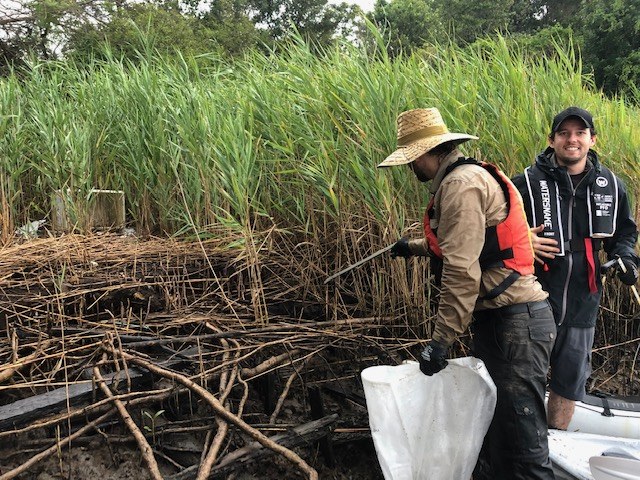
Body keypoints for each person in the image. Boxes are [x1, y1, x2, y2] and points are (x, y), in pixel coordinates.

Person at [378, 107, 557, 479]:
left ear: (429, 154)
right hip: (505, 323)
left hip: (516, 325)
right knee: (497, 433)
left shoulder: (461, 186)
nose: (412, 169)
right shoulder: (463, 179)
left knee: (523, 444)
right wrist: (410, 246)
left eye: (412, 160)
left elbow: (461, 271)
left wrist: (440, 342)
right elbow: (470, 243)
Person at [512, 106, 639, 430]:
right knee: (524, 380)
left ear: (592, 139)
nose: (572, 140)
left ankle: (555, 446)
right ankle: (523, 450)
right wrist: (522, 238)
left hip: (584, 300)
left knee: (569, 382)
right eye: (564, 133)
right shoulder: (524, 183)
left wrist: (626, 257)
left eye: (580, 133)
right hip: (533, 299)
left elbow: (624, 233)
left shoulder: (611, 185)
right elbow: (493, 227)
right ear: (551, 140)